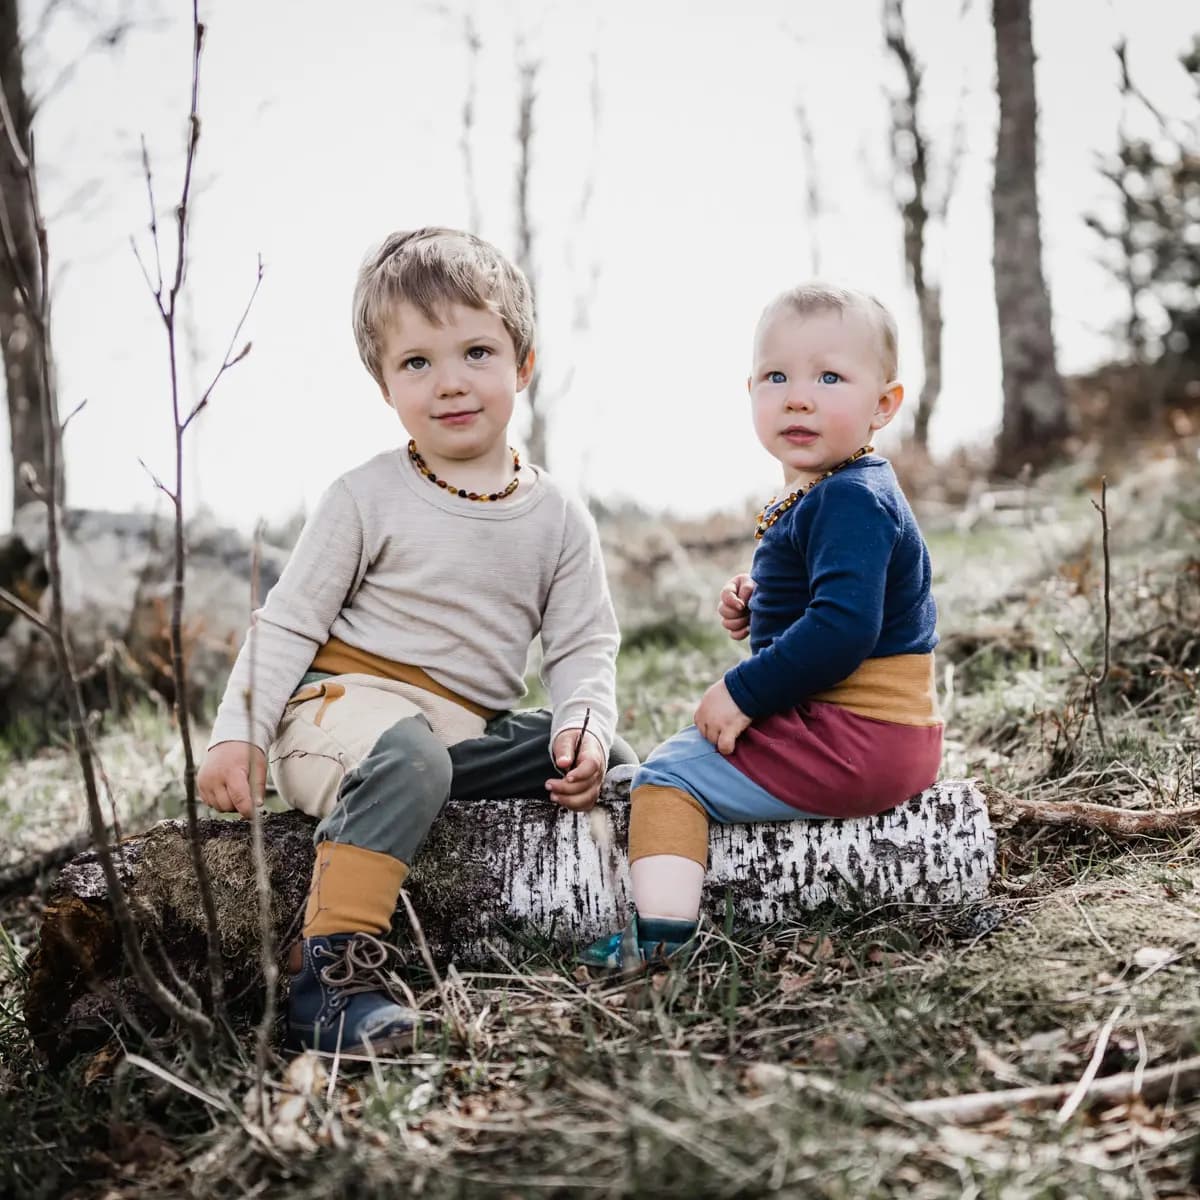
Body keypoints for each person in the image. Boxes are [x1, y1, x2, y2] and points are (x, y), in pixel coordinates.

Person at [198, 227, 635, 1052]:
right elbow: (289, 619)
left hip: (458, 734)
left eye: (476, 351)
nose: (451, 383)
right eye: (417, 364)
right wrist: (239, 732)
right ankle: (330, 984)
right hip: (338, 715)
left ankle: (631, 909)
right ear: (384, 385)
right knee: (410, 758)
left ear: (524, 364)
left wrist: (584, 721)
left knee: (602, 756)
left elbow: (583, 644)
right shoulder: (366, 496)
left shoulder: (558, 516)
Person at [581, 283, 943, 970]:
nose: (798, 396)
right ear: (750, 390)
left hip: (860, 737)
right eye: (777, 377)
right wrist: (761, 605)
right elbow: (827, 606)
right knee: (681, 760)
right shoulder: (828, 493)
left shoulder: (851, 500)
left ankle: (657, 939)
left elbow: (842, 631)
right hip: (872, 733)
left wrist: (743, 690)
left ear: (884, 404)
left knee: (668, 776)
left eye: (830, 377)